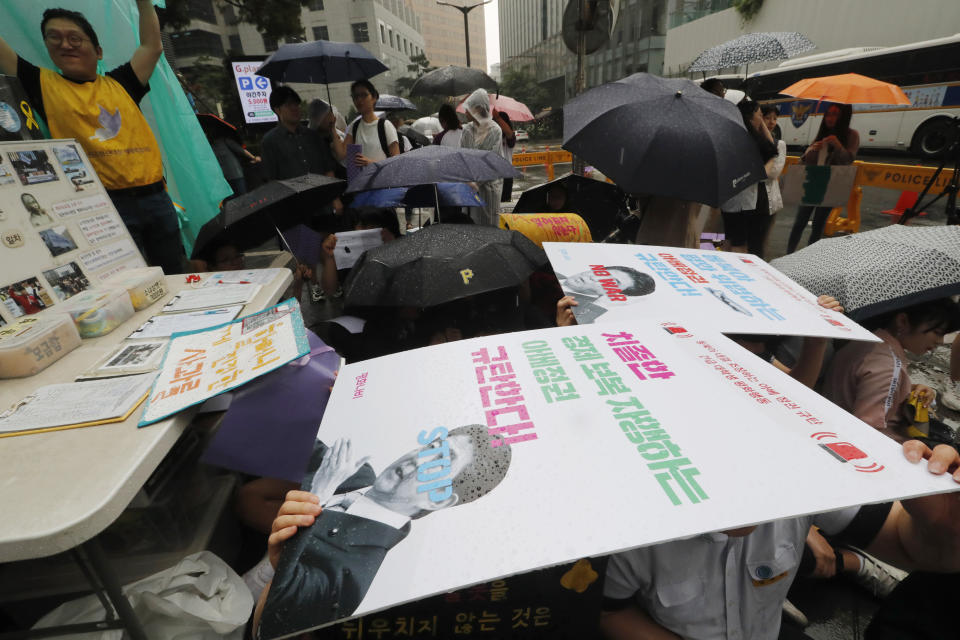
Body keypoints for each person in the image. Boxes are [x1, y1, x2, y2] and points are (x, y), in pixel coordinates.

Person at [600, 441, 960, 640]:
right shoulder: (629, 526)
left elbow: (908, 545)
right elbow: (612, 612)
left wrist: (946, 525)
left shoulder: (805, 476)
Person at [252, 427, 513, 638]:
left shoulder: (357, 573)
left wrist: (318, 496)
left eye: (439, 466)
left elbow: (271, 624)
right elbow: (292, 430)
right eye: (432, 448)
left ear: (438, 500)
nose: (417, 461)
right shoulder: (352, 471)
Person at [0, 3, 184, 274]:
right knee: (127, 282)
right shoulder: (41, 83)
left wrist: (143, 2)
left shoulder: (122, 82)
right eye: (54, 38)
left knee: (174, 273)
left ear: (98, 52)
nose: (66, 44)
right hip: (103, 207)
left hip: (156, 198)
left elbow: (152, 47)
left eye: (75, 38)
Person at [823, 298, 960, 445]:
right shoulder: (888, 366)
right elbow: (867, 433)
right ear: (902, 321)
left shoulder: (871, 339)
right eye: (937, 332)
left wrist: (907, 389)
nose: (940, 341)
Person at [786, 103, 860, 253]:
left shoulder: (852, 135)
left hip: (832, 186)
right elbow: (806, 161)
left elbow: (848, 160)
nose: (830, 118)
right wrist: (813, 150)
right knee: (799, 221)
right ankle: (789, 254)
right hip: (813, 183)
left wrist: (838, 145)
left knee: (818, 225)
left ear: (843, 116)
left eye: (835, 114)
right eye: (828, 114)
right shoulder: (823, 133)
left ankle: (810, 259)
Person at [719, 99, 780, 258]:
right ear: (750, 117)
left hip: (730, 202)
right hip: (744, 203)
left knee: (730, 240)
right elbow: (771, 151)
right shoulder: (749, 141)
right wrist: (772, 160)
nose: (763, 119)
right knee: (740, 246)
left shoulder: (731, 135)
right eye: (760, 115)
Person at [260, 86, 338, 182]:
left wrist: (335, 195)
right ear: (277, 110)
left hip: (323, 193)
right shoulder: (270, 141)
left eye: (296, 103)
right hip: (294, 196)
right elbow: (270, 180)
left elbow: (328, 169)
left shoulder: (313, 136)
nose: (294, 108)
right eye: (288, 104)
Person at [460, 88, 504, 226]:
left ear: (478, 109)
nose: (465, 112)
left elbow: (492, 162)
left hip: (489, 188)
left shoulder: (495, 130)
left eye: (469, 109)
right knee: (471, 225)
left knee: (489, 224)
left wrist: (475, 183)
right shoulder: (467, 130)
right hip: (470, 187)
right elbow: (462, 157)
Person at [555, 266, 655, 325]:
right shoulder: (551, 266)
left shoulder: (580, 318)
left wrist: (599, 305)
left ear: (614, 294)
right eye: (603, 273)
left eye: (611, 282)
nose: (594, 277)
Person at [343, 79, 399, 166]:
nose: (359, 100)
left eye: (364, 95)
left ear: (374, 97)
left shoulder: (385, 126)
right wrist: (332, 129)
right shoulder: (354, 126)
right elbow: (342, 154)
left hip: (381, 179)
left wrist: (371, 164)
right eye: (355, 96)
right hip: (362, 179)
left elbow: (396, 162)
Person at [761, 104, 787, 257]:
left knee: (762, 240)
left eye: (774, 118)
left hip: (769, 198)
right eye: (767, 118)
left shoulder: (779, 144)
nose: (771, 122)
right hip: (748, 199)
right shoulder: (751, 141)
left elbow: (774, 172)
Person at [208, 132, 259, 197]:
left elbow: (241, 150)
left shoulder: (225, 141)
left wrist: (254, 157)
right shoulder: (210, 147)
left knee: (243, 196)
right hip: (224, 179)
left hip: (236, 175)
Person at [495, 110, 517, 203]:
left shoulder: (509, 137)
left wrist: (497, 117)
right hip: (494, 175)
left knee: (504, 204)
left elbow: (509, 133)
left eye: (499, 122)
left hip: (506, 175)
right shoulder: (493, 136)